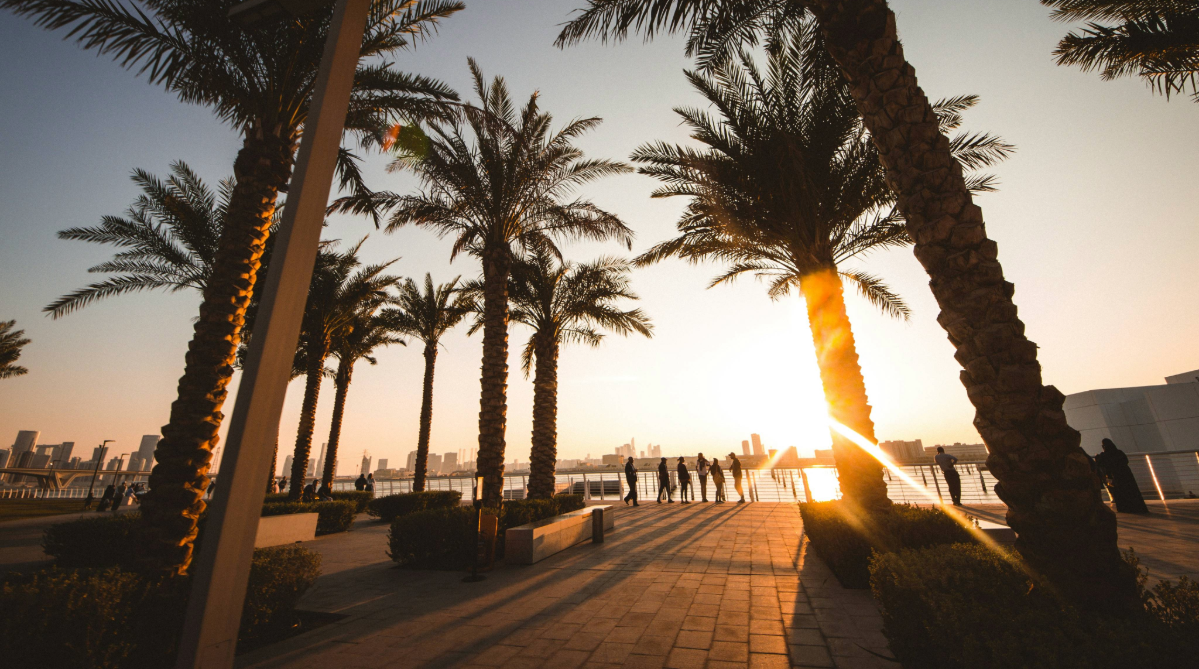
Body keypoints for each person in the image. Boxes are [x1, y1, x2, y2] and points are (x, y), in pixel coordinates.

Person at [1094, 438, 1149, 514]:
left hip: (1115, 475)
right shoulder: (1119, 452)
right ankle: (1138, 507)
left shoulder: (1104, 455)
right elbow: (1126, 461)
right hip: (1126, 474)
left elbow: (1100, 464)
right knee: (1131, 490)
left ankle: (1125, 508)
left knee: (1120, 492)